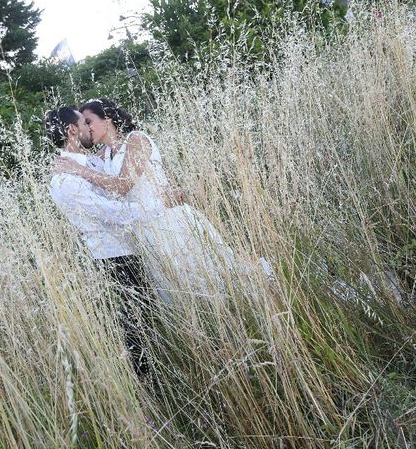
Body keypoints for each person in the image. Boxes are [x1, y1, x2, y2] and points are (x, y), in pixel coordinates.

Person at [53, 99, 269, 302]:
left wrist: (79, 170)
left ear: (107, 119)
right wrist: (69, 164)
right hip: (145, 231)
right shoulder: (105, 153)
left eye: (89, 121)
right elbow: (80, 162)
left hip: (169, 219)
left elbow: (122, 184)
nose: (87, 128)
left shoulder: (136, 140)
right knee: (180, 292)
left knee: (210, 277)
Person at [45, 106, 182, 379]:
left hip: (136, 245)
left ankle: (166, 374)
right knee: (135, 327)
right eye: (83, 123)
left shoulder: (91, 162)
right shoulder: (65, 180)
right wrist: (161, 204)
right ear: (73, 130)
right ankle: (149, 389)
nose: (88, 127)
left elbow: (119, 174)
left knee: (151, 316)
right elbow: (114, 214)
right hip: (114, 256)